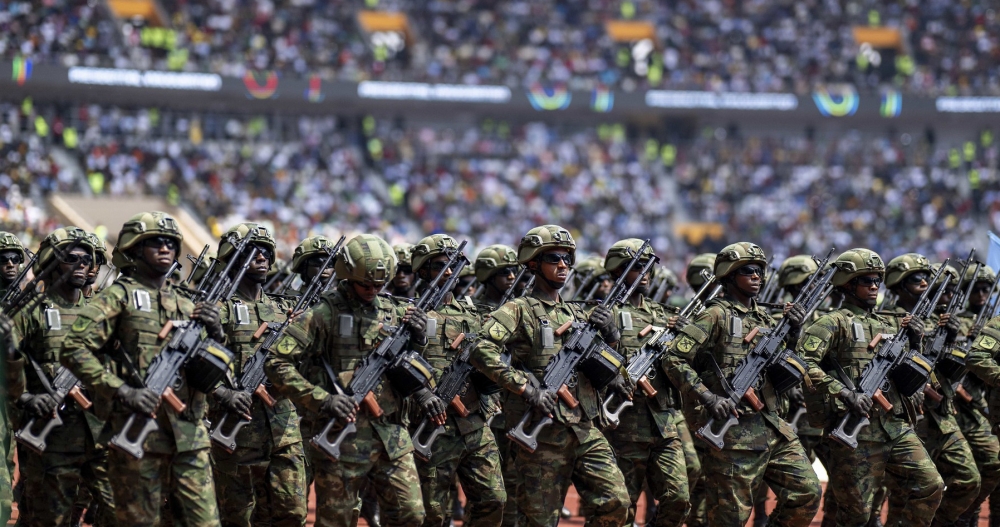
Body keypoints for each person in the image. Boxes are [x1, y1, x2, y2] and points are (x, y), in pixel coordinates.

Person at [60, 211, 224, 526]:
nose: (165, 248)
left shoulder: (188, 305)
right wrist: (121, 391)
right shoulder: (117, 298)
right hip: (137, 437)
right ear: (135, 249)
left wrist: (216, 334)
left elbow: (212, 371)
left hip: (189, 437)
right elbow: (73, 349)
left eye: (170, 243)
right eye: (154, 243)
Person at [264, 233, 430, 527]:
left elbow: (408, 367)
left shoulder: (394, 311)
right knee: (336, 521)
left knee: (411, 516)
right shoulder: (323, 314)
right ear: (348, 275)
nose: (373, 290)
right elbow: (276, 363)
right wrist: (323, 399)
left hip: (390, 435)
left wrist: (418, 341)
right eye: (366, 284)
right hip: (340, 438)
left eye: (379, 285)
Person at [470, 224, 629, 526]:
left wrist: (611, 337)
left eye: (568, 259)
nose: (563, 266)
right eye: (554, 258)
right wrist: (524, 388)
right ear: (533, 263)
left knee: (617, 502)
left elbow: (609, 368)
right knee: (540, 520)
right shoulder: (518, 309)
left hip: (584, 427)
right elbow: (480, 348)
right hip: (542, 433)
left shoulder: (576, 313)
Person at [663, 242, 821, 526]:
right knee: (729, 518)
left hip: (772, 426)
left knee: (807, 491)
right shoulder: (715, 315)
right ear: (729, 275)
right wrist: (708, 397)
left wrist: (794, 332)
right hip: (733, 433)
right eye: (748, 270)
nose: (757, 276)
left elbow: (784, 366)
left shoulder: (764, 318)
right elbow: (674, 358)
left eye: (760, 271)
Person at [797, 248, 943, 527]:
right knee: (856, 515)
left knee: (930, 484)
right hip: (855, 432)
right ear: (848, 284)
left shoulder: (888, 323)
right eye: (867, 280)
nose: (875, 286)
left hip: (894, 426)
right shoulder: (831, 322)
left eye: (877, 279)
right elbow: (804, 365)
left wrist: (916, 342)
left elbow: (910, 372)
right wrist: (844, 392)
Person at [8, 227, 117, 526]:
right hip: (51, 439)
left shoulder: (101, 312)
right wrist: (27, 398)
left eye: (88, 259)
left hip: (98, 434)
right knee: (48, 519)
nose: (83, 264)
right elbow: (6, 366)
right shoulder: (29, 311)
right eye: (72, 258)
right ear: (52, 263)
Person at [210, 223, 308, 527]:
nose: (262, 257)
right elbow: (194, 363)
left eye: (267, 251)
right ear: (233, 257)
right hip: (237, 430)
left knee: (292, 512)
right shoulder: (218, 309)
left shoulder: (284, 309)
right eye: (253, 251)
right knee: (238, 516)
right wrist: (222, 392)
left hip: (283, 429)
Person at [408, 234, 505, 526]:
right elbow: (393, 364)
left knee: (493, 500)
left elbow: (492, 359)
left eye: (454, 265)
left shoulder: (473, 315)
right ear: (423, 270)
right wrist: (423, 394)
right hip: (431, 424)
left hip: (473, 421)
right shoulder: (409, 313)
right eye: (441, 265)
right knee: (432, 512)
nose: (450, 272)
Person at [600, 238, 691, 527]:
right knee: (620, 508)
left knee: (679, 499)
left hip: (663, 424)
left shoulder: (665, 315)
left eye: (648, 266)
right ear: (617, 271)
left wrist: (686, 338)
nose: (645, 272)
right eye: (637, 267)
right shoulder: (605, 314)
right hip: (622, 428)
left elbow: (685, 363)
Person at [472, 243, 522, 527]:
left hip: (515, 405)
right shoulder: (474, 313)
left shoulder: (520, 310)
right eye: (505, 273)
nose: (512, 278)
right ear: (488, 275)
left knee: (513, 483)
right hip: (486, 407)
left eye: (514, 272)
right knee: (488, 490)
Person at [950, 265, 1000, 526]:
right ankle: (965, 512)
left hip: (985, 403)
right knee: (988, 466)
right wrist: (962, 339)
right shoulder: (954, 320)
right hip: (962, 405)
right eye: (976, 289)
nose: (982, 294)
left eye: (986, 290)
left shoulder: (994, 319)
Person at [288, 235, 339, 301]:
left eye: (330, 264)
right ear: (303, 267)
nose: (325, 267)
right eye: (317, 262)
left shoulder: (343, 301)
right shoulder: (288, 301)